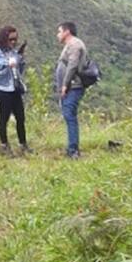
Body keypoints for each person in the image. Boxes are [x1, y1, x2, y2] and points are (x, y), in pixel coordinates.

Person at [0, 26, 30, 155]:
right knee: (4, 117)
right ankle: (4, 145)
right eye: (11, 39)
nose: (13, 42)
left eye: (15, 39)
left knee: (20, 118)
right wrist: (5, 63)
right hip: (3, 89)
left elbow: (19, 71)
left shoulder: (14, 52)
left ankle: (23, 144)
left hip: (15, 88)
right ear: (4, 38)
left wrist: (21, 62)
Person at [55, 21, 88, 159]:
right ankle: (72, 147)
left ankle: (73, 150)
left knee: (69, 115)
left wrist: (65, 84)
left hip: (73, 86)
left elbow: (73, 65)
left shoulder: (74, 45)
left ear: (67, 31)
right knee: (69, 115)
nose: (58, 35)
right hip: (71, 86)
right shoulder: (70, 44)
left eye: (59, 31)